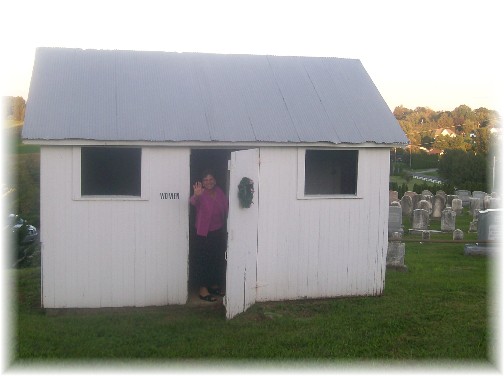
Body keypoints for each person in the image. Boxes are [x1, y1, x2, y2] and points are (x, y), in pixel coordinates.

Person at [189, 169, 229, 302]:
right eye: (206, 180)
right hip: (203, 233)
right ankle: (202, 289)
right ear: (202, 183)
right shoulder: (200, 194)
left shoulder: (219, 192)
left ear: (215, 181)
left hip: (218, 231)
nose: (209, 182)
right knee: (204, 260)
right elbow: (193, 202)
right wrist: (196, 195)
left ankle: (213, 285)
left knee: (217, 259)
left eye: (211, 179)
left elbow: (227, 206)